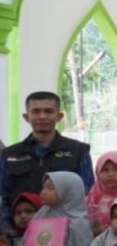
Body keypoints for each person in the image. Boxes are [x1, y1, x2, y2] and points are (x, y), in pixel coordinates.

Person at [2, 91, 94, 232]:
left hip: (65, 233)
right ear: (26, 117)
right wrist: (7, 230)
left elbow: (87, 194)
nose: (42, 116)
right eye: (36, 111)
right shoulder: (8, 154)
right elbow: (2, 197)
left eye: (48, 111)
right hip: (18, 233)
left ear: (59, 116)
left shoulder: (78, 151)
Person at [84, 151, 117, 234]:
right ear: (97, 172)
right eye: (105, 170)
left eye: (116, 169)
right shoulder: (90, 200)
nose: (111, 174)